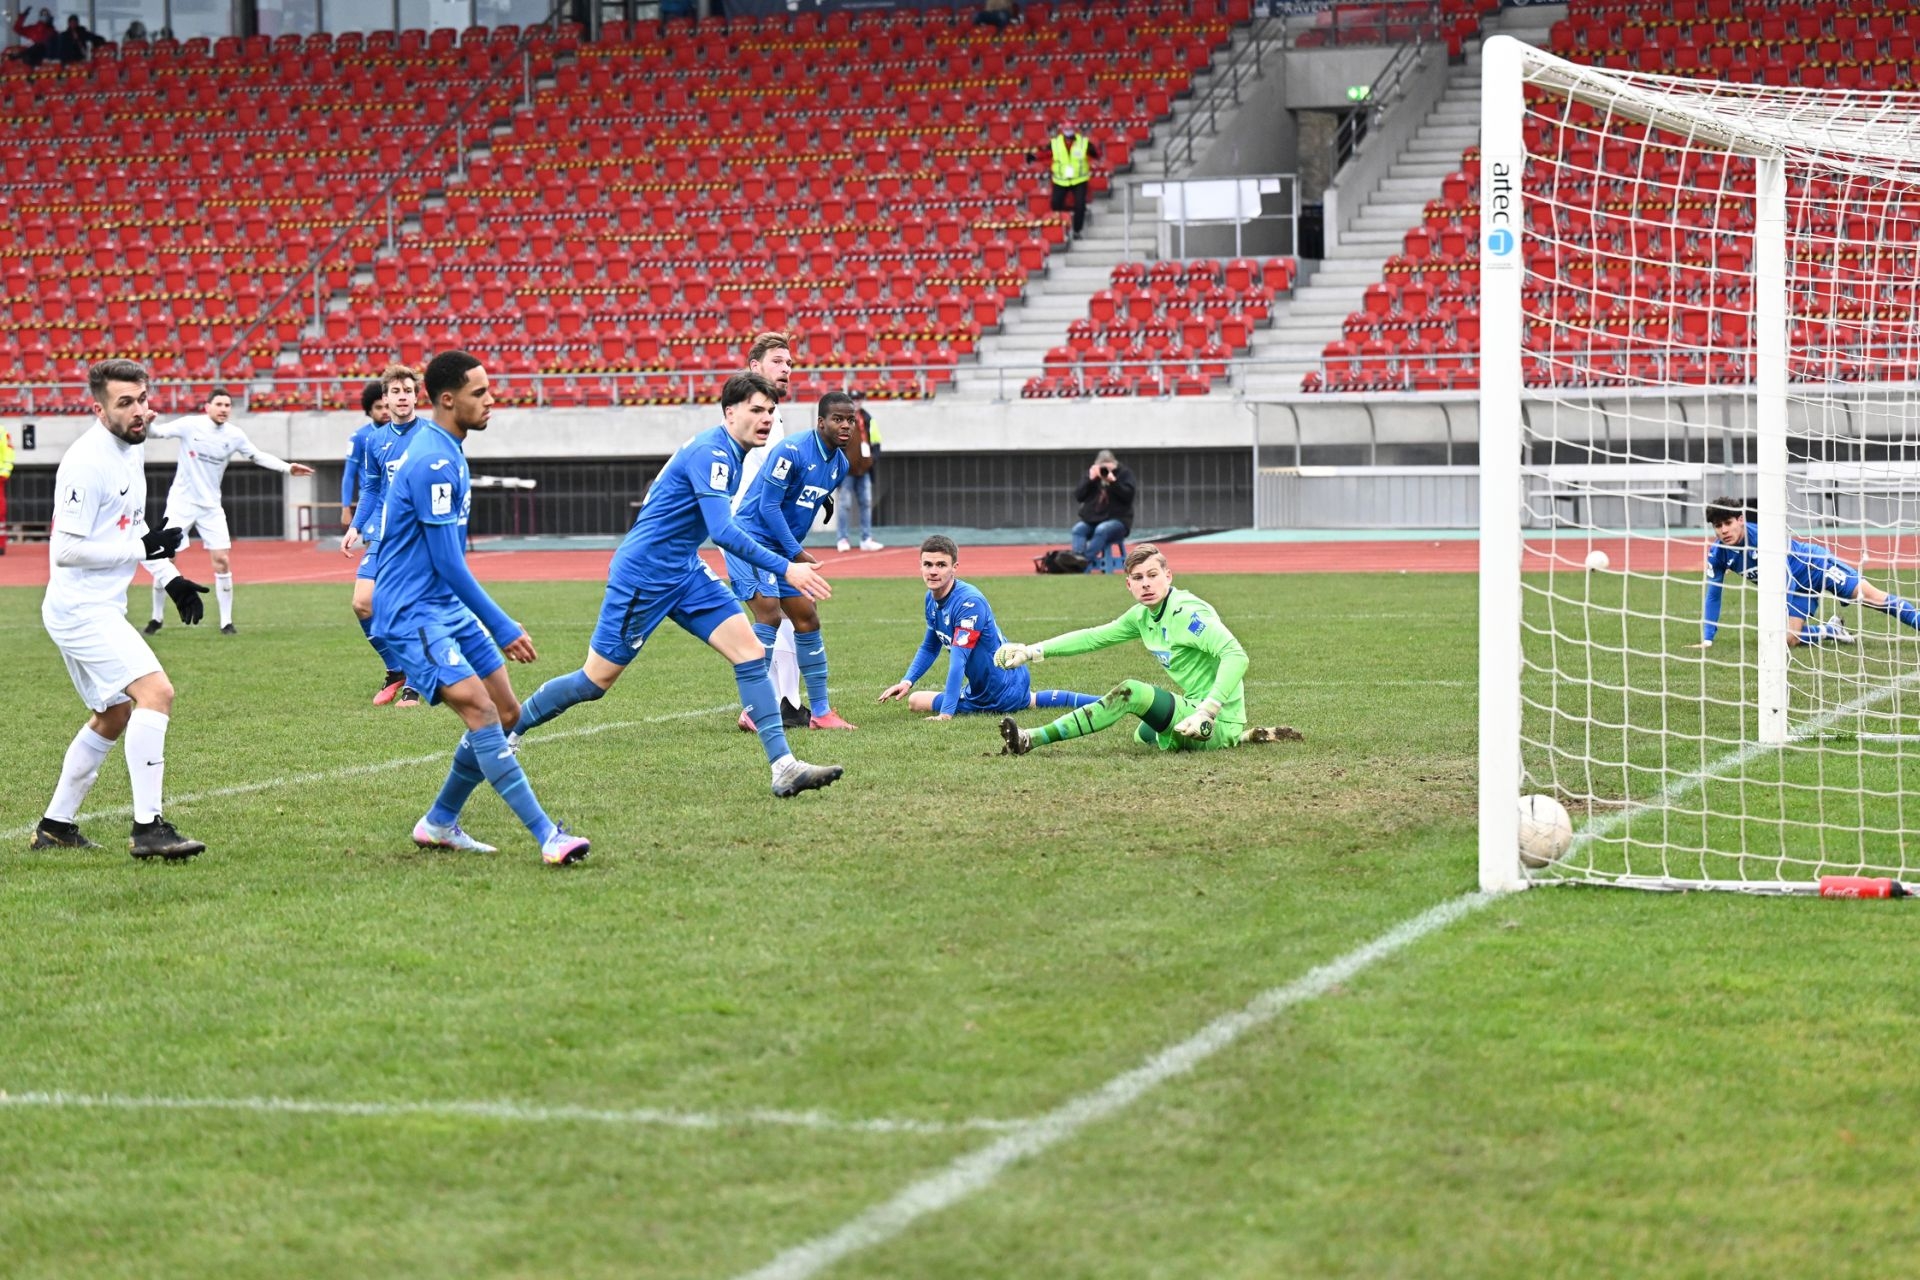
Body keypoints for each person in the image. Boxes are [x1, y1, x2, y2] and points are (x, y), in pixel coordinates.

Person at [510, 372, 844, 799]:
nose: (766, 419)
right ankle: (510, 727)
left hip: (684, 570)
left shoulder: (732, 450)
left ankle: (783, 766)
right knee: (594, 683)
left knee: (749, 651)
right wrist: (787, 567)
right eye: (756, 410)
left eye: (771, 411)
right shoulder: (714, 453)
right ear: (730, 413)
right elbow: (722, 531)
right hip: (644, 576)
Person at [371, 350, 590, 865]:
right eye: (479, 394)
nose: (491, 401)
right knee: (481, 710)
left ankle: (440, 822)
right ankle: (548, 836)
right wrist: (502, 623)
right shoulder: (433, 461)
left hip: (444, 605)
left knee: (508, 712)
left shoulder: (448, 448)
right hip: (413, 612)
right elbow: (448, 562)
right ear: (448, 400)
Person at [30, 359, 208, 858]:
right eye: (125, 403)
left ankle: (54, 827)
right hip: (80, 608)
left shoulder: (132, 447)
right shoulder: (87, 462)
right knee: (157, 692)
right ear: (99, 408)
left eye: (143, 400)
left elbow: (132, 528)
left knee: (113, 715)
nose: (139, 412)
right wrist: (143, 552)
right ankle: (148, 829)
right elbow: (66, 550)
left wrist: (170, 579)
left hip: (97, 605)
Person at [994, 543, 1302, 756]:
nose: (1146, 584)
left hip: (1215, 717)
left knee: (1132, 693)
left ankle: (1030, 738)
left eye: (1153, 576)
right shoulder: (1142, 616)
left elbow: (1236, 655)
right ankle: (1244, 738)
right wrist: (1031, 651)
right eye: (1138, 578)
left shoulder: (1187, 614)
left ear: (1168, 576)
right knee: (1142, 735)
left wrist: (1209, 710)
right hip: (1192, 708)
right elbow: (1093, 637)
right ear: (1128, 585)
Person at [726, 390, 858, 730]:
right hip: (751, 540)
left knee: (807, 618)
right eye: (838, 419)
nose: (845, 426)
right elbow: (768, 507)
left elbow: (803, 499)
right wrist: (797, 552)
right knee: (769, 613)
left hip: (782, 550)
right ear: (821, 422)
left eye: (850, 420)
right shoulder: (792, 450)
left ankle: (822, 713)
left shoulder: (840, 463)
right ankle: (753, 710)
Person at [141, 388, 314, 636]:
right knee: (165, 559)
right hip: (182, 503)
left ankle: (226, 622)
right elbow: (158, 433)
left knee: (222, 560)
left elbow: (256, 456)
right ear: (207, 406)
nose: (224, 409)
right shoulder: (191, 425)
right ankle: (156, 618)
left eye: (227, 405)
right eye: (219, 404)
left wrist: (287, 468)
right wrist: (149, 423)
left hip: (211, 507)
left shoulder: (234, 435)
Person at [879, 535, 1100, 720]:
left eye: (941, 565)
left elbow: (958, 660)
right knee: (915, 697)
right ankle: (1103, 700)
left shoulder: (969, 602)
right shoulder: (931, 598)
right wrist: (907, 681)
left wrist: (945, 714)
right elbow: (930, 646)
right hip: (1005, 681)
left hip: (997, 689)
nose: (933, 571)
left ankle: (1006, 701)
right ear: (920, 566)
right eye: (928, 564)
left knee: (917, 701)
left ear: (954, 567)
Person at [1690, 495, 1920, 649]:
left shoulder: (1763, 537)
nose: (1724, 530)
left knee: (1872, 598)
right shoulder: (1718, 553)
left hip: (1817, 566)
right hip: (1797, 588)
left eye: (1728, 523)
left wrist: (1782, 609)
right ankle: (1831, 630)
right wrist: (1708, 638)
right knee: (1789, 639)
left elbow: (1786, 575)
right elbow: (1713, 593)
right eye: (1718, 526)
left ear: (1740, 519)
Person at [731, 332, 807, 729]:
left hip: (766, 530)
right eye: (779, 361)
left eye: (790, 364)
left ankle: (786, 703)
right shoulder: (743, 411)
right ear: (755, 366)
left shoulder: (773, 416)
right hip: (743, 529)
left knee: (791, 613)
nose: (787, 369)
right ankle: (756, 706)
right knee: (770, 612)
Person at [343, 364, 424, 705]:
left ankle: (418, 679)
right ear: (386, 398)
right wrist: (356, 526)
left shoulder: (432, 435)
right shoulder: (375, 441)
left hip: (419, 536)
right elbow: (372, 488)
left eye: (407, 391)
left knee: (406, 608)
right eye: (396, 392)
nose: (402, 397)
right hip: (383, 534)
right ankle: (396, 669)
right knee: (362, 603)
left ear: (416, 396)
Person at [1028, 121, 1100, 236]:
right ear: (1062, 130)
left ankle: (1077, 230)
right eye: (1066, 129)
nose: (1068, 131)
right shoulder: (1055, 143)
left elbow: (1096, 153)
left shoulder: (1083, 142)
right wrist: (1034, 156)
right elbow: (1044, 153)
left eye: (1070, 129)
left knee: (1080, 205)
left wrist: (1096, 155)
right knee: (1055, 204)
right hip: (1061, 180)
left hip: (1079, 179)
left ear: (1074, 129)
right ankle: (1063, 225)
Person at [834, 391, 883, 552]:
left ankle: (866, 538)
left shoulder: (869, 419)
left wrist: (872, 460)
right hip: (847, 471)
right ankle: (842, 538)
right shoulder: (840, 420)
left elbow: (876, 442)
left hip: (865, 469)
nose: (856, 402)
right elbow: (834, 443)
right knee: (844, 504)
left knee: (866, 503)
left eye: (858, 399)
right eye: (853, 399)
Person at [1072, 448, 1134, 567]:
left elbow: (1128, 496)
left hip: (1118, 521)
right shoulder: (1093, 476)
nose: (1104, 471)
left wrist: (1113, 482)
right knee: (1078, 529)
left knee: (1102, 529)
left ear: (1114, 465)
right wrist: (1089, 480)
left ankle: (1082, 562)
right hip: (1093, 519)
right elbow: (1079, 496)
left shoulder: (1124, 474)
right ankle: (1077, 557)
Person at [0, 424, 13, 556]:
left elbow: (9, 452)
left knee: (0, 511)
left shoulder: (2, 432)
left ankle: (0, 544)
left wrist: (5, 472)